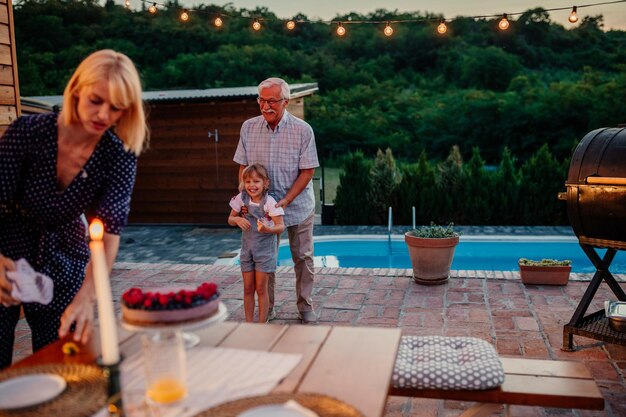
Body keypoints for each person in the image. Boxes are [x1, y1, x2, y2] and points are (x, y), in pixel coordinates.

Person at [0, 49, 148, 369]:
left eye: (116, 107)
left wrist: (87, 296)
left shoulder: (118, 155)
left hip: (64, 255)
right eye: (96, 100)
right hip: (7, 246)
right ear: (77, 89)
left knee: (63, 362)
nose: (104, 115)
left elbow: (109, 231)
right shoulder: (27, 133)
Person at [233, 77, 319, 323]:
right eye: (262, 100)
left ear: (286, 101)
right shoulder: (248, 127)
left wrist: (286, 201)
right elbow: (243, 166)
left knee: (303, 257)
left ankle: (305, 306)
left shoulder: (303, 130)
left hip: (298, 206)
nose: (266, 106)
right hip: (261, 211)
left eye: (272, 101)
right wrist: (243, 200)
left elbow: (308, 171)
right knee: (264, 259)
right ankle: (266, 309)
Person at [228, 164, 285, 323]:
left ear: (265, 183)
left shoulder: (269, 202)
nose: (251, 185)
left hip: (265, 252)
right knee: (247, 288)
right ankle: (249, 324)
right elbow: (230, 219)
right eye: (248, 182)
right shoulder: (242, 198)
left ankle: (262, 323)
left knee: (261, 288)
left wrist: (268, 229)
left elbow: (281, 226)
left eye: (256, 181)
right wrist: (237, 218)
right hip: (247, 251)